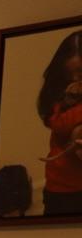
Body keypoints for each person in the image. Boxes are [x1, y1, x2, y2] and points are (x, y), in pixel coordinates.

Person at [37, 30, 82, 217]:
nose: (74, 80)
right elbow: (61, 125)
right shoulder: (61, 98)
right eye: (69, 75)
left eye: (80, 73)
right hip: (63, 190)